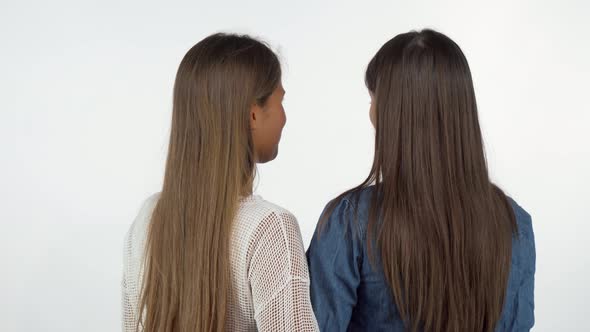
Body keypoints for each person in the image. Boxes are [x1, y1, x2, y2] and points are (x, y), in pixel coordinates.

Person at [307, 29, 535, 332]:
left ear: (394, 113)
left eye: (374, 99)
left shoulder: (349, 222)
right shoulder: (514, 223)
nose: (371, 112)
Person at [122, 33, 318, 332]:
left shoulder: (148, 219)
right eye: (280, 101)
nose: (284, 117)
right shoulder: (269, 228)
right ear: (253, 114)